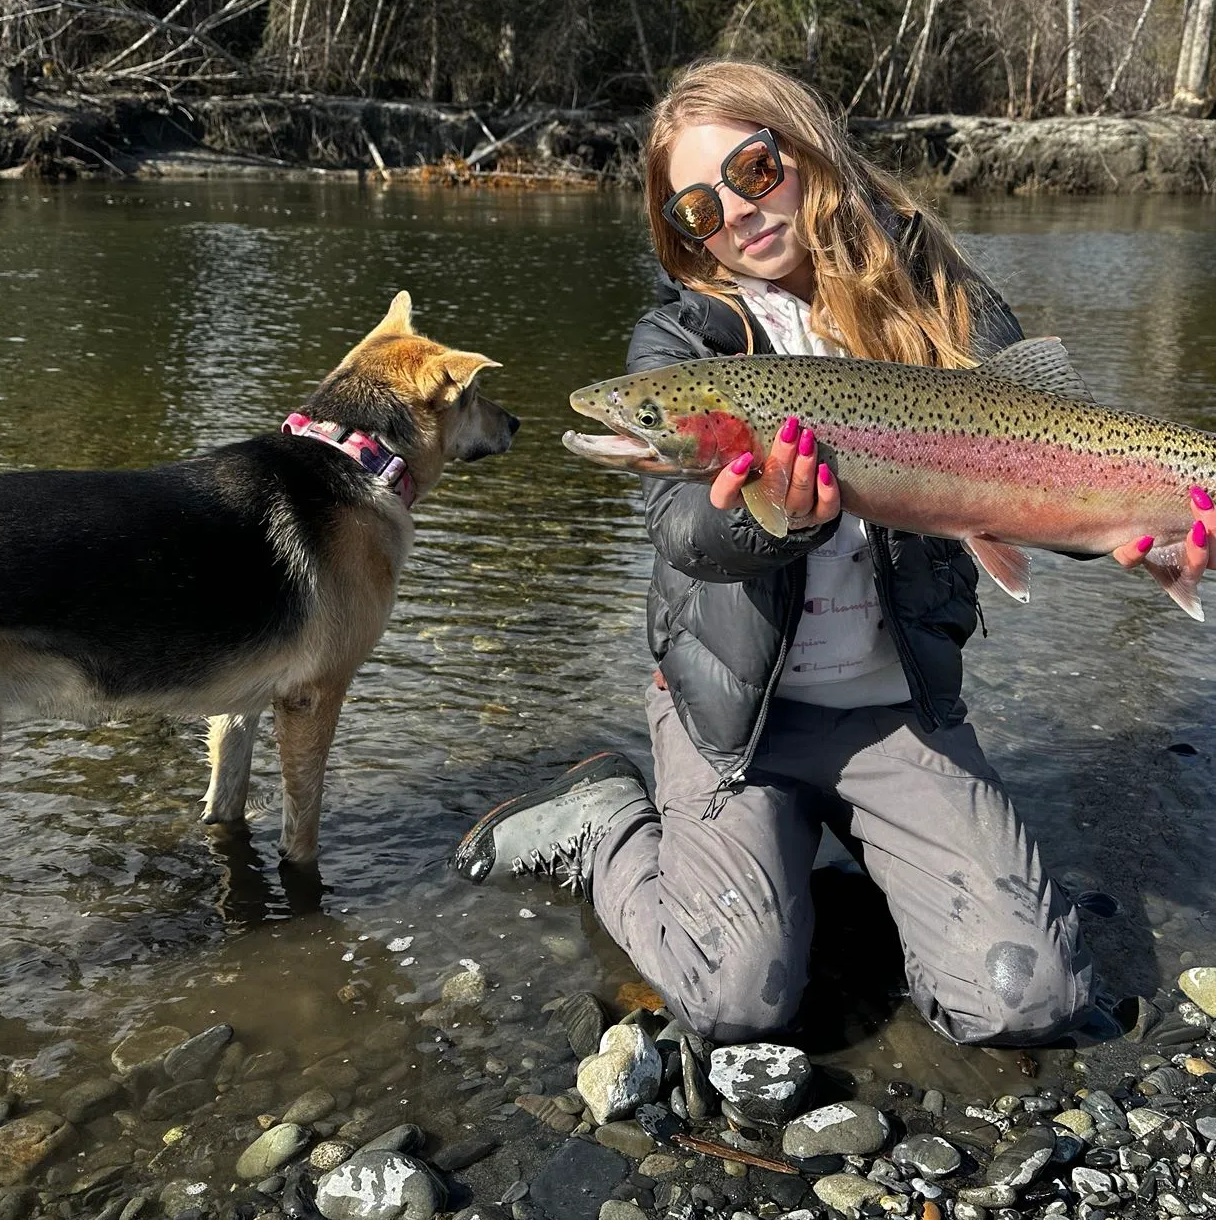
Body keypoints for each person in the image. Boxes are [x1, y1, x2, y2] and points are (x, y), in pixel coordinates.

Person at [452, 58, 1215, 1046]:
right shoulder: (683, 341)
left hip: (899, 711)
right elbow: (684, 533)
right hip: (736, 720)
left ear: (807, 152)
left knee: (1030, 1001)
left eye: (756, 170)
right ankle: (606, 822)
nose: (736, 213)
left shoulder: (946, 306)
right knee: (733, 1000)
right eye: (697, 207)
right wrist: (786, 513)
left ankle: (853, 850)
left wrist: (1145, 536)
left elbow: (1039, 484)